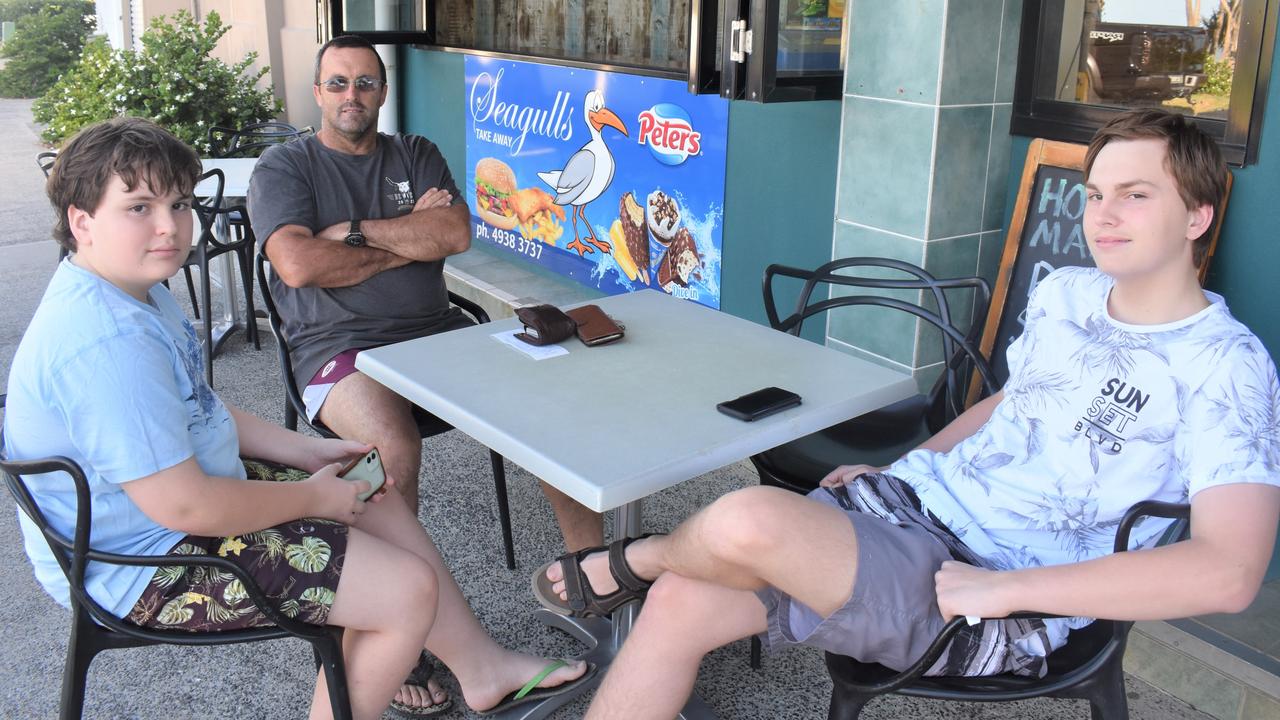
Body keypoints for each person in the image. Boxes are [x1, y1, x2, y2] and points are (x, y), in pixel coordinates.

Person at [532, 108, 1280, 718]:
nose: (1103, 215)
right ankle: (643, 573)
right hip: (914, 514)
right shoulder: (1067, 294)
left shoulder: (1224, 365)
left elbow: (1229, 573)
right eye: (1095, 194)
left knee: (746, 520)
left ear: (1197, 216)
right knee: (679, 604)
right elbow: (1010, 405)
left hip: (997, 591)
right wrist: (901, 470)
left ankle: (623, 561)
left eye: (1136, 195)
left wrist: (1005, 592)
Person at [2, 117, 591, 720]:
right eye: (138, 206)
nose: (169, 226)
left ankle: (481, 669)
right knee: (403, 593)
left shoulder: (133, 288)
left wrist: (309, 453)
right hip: (147, 565)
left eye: (179, 203)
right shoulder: (106, 343)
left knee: (370, 482)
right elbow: (187, 508)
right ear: (81, 221)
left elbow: (199, 411)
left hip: (176, 510)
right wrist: (313, 499)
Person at [247, 35, 602, 548]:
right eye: (338, 83)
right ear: (318, 93)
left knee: (552, 406)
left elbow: (455, 235)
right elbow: (299, 265)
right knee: (390, 447)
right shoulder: (285, 166)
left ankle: (591, 570)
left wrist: (351, 231)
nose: (353, 94)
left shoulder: (415, 152)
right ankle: (396, 597)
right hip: (339, 349)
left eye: (365, 83)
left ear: (383, 92)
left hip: (441, 334)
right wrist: (410, 235)